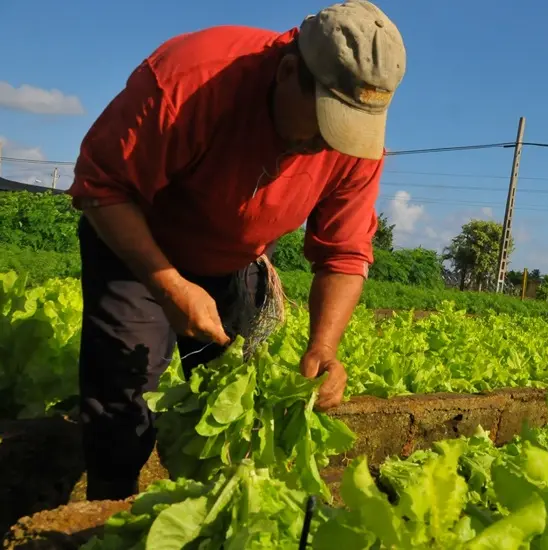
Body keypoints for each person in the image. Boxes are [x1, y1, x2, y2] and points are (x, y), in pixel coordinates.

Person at [65, 0, 406, 501]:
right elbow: (102, 188)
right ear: (289, 72)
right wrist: (170, 284)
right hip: (134, 243)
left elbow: (344, 252)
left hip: (231, 259)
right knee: (123, 403)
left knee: (232, 407)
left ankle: (212, 518)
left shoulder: (355, 148)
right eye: (323, 124)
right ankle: (106, 516)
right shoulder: (192, 78)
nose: (326, 145)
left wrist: (323, 348)